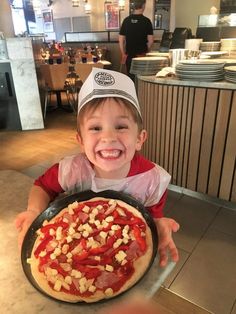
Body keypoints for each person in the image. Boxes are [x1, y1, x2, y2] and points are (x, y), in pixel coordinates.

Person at [15, 68, 179, 268]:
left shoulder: (152, 180)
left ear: (140, 139)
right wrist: (33, 211)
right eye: (95, 128)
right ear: (81, 141)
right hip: (74, 258)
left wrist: (158, 224)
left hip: (124, 260)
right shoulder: (72, 170)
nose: (108, 138)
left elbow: (152, 216)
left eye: (120, 126)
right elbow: (42, 186)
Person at [119, 0, 154, 80]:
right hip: (142, 57)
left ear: (133, 6)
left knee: (131, 80)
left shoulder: (126, 20)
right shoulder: (147, 21)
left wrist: (123, 54)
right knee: (142, 80)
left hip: (129, 56)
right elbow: (151, 41)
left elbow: (121, 40)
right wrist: (145, 51)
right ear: (143, 5)